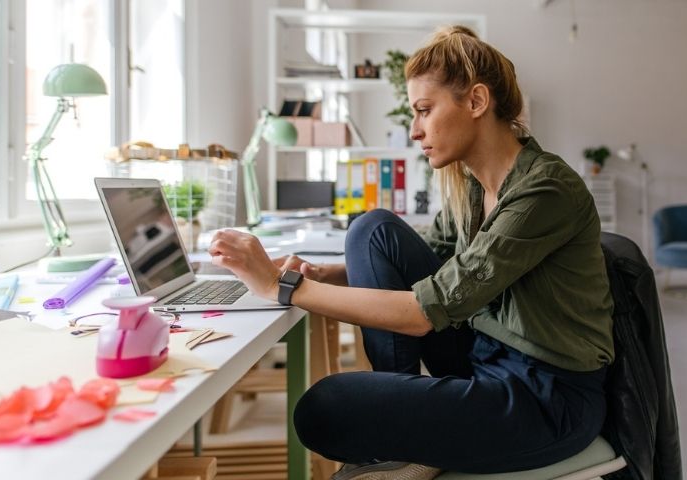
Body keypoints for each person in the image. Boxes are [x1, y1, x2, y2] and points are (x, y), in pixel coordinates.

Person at [209, 25, 614, 480]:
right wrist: (324, 274)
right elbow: (433, 262)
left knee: (323, 408)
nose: (415, 129)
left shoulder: (545, 189)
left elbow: (426, 309)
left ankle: (410, 438)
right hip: (484, 356)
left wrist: (281, 287)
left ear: (477, 102)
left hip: (546, 398)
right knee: (371, 230)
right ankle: (406, 443)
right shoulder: (470, 184)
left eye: (424, 110)